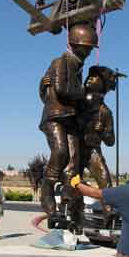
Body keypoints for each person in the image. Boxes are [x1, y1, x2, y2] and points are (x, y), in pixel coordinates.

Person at [38, 21, 98, 222]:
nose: (88, 52)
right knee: (60, 152)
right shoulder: (60, 62)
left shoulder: (78, 67)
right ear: (75, 44)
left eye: (90, 49)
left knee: (74, 161)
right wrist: (84, 93)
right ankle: (46, 192)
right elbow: (62, 89)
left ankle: (66, 200)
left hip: (69, 118)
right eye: (86, 48)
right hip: (55, 117)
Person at [80, 66, 116, 225]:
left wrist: (103, 132)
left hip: (93, 151)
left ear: (102, 84)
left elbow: (111, 141)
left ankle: (109, 216)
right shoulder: (78, 101)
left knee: (105, 181)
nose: (89, 79)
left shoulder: (105, 112)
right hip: (75, 148)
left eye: (93, 77)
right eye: (89, 76)